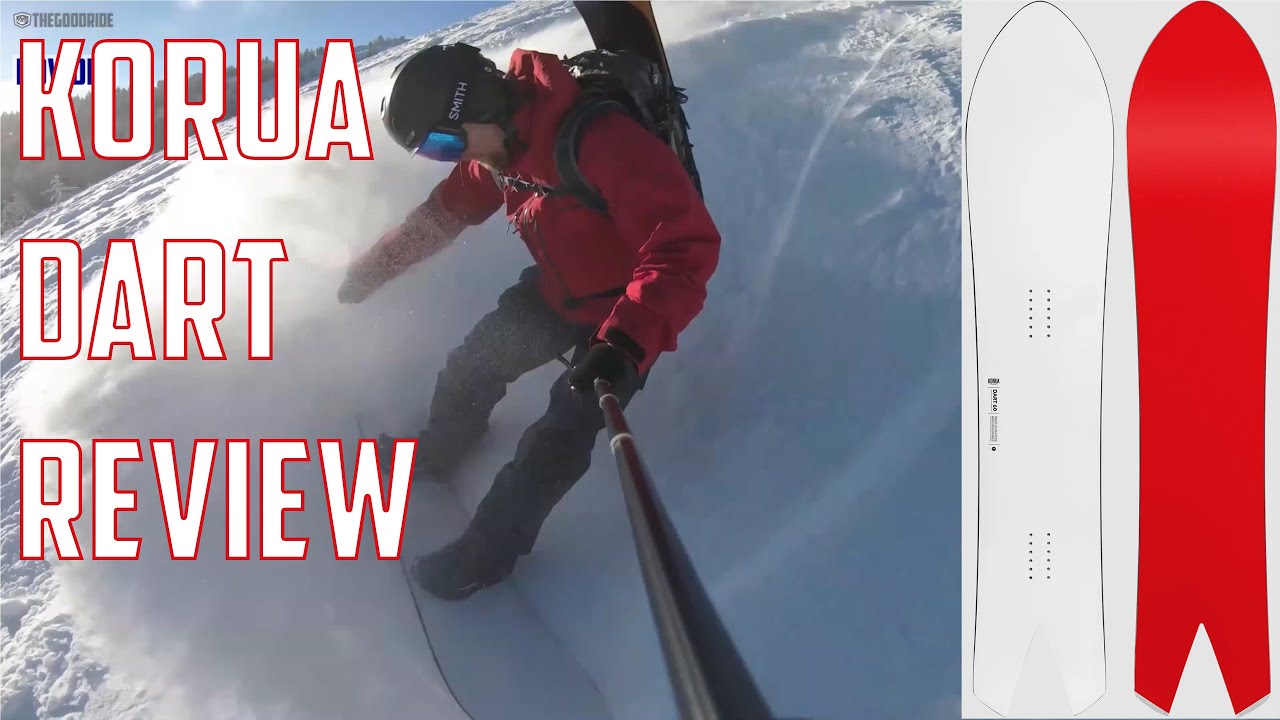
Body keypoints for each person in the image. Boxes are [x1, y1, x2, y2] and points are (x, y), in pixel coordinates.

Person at [337, 42, 721, 601]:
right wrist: (373, 270)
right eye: (436, 152)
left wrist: (624, 344)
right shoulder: (497, 150)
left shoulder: (598, 139)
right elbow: (443, 215)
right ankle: (443, 448)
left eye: (446, 144)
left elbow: (684, 247)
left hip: (625, 316)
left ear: (478, 103)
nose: (450, 158)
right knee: (473, 364)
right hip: (557, 291)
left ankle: (487, 555)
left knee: (558, 434)